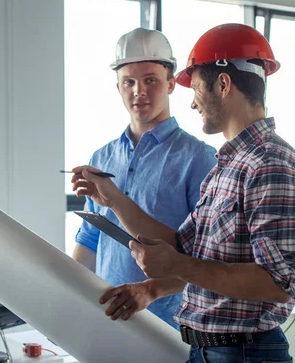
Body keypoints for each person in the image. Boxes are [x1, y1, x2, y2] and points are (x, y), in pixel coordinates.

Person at [73, 23, 295, 362]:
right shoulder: (229, 166)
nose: (192, 104)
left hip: (243, 352)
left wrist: (174, 267)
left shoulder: (271, 164)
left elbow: (276, 283)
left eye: (197, 88)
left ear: (222, 83)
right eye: (128, 82)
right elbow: (182, 248)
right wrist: (113, 200)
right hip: (208, 350)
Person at [71, 28, 216, 329]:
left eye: (150, 80)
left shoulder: (199, 158)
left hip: (172, 331)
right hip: (109, 322)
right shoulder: (102, 158)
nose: (139, 92)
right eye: (129, 82)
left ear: (172, 84)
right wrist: (66, 302)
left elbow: (208, 262)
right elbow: (90, 241)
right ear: (118, 87)